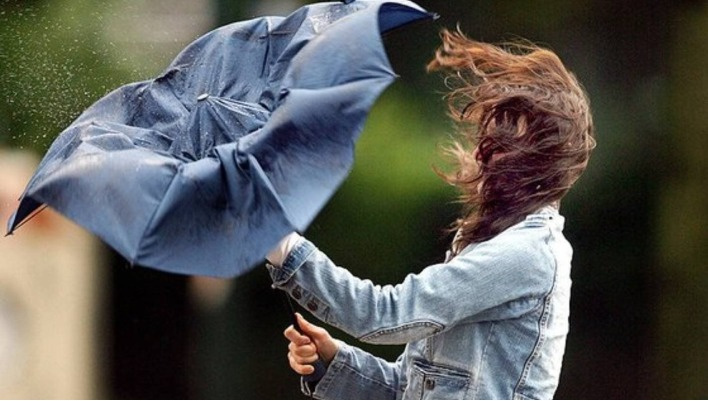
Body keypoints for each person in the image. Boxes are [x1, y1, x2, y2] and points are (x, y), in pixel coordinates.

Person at [265, 28, 595, 400]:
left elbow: (383, 315)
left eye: (501, 145)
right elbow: (406, 387)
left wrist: (283, 246)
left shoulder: (526, 254)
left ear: (539, 163)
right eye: (487, 139)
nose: (482, 155)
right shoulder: (488, 242)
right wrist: (334, 361)